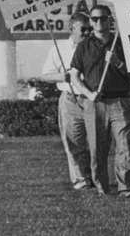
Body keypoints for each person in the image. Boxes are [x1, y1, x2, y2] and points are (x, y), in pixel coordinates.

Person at [69, 5, 130, 197]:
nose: (99, 22)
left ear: (110, 20)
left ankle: (127, 188)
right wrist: (88, 94)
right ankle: (102, 188)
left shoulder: (122, 43)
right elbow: (74, 76)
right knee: (98, 149)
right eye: (95, 19)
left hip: (119, 101)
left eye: (103, 18)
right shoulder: (84, 46)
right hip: (94, 104)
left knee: (124, 145)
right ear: (90, 21)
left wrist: (117, 62)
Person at [40, 12, 92, 190]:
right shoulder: (58, 49)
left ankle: (94, 176)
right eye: (83, 29)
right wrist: (63, 76)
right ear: (72, 28)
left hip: (92, 100)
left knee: (96, 142)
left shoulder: (95, 47)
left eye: (89, 29)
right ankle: (81, 180)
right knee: (73, 141)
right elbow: (45, 75)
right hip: (70, 99)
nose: (87, 33)